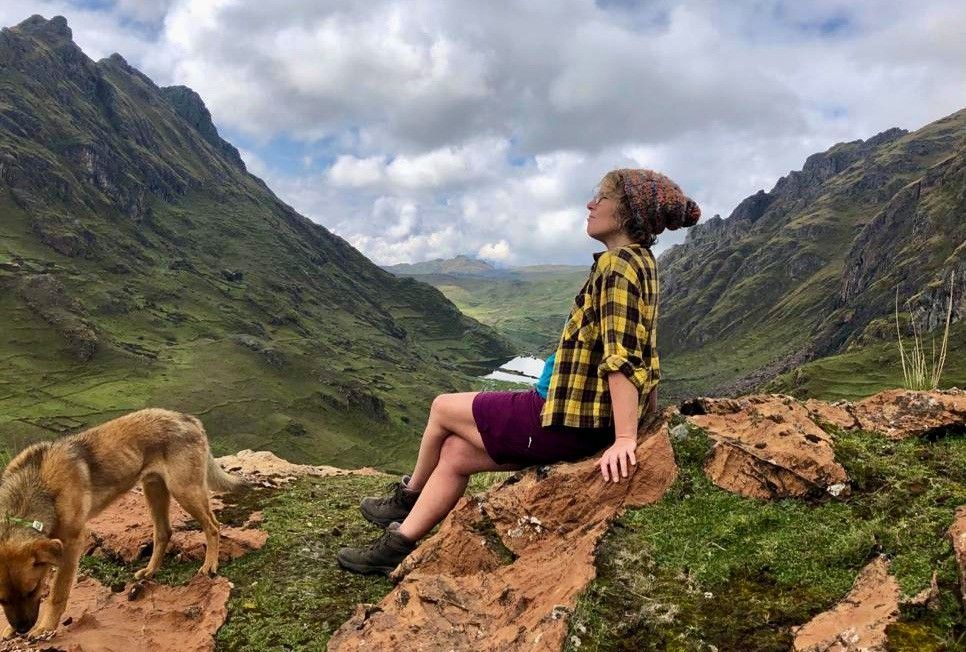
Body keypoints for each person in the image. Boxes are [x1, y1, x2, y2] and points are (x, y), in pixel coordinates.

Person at [336, 168, 701, 575]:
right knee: (456, 454)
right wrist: (647, 413)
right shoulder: (640, 262)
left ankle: (407, 495)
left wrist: (626, 437)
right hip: (574, 414)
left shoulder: (618, 268)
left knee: (442, 407)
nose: (591, 204)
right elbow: (646, 345)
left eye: (602, 197)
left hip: (566, 421)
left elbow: (622, 356)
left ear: (629, 211)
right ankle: (396, 546)